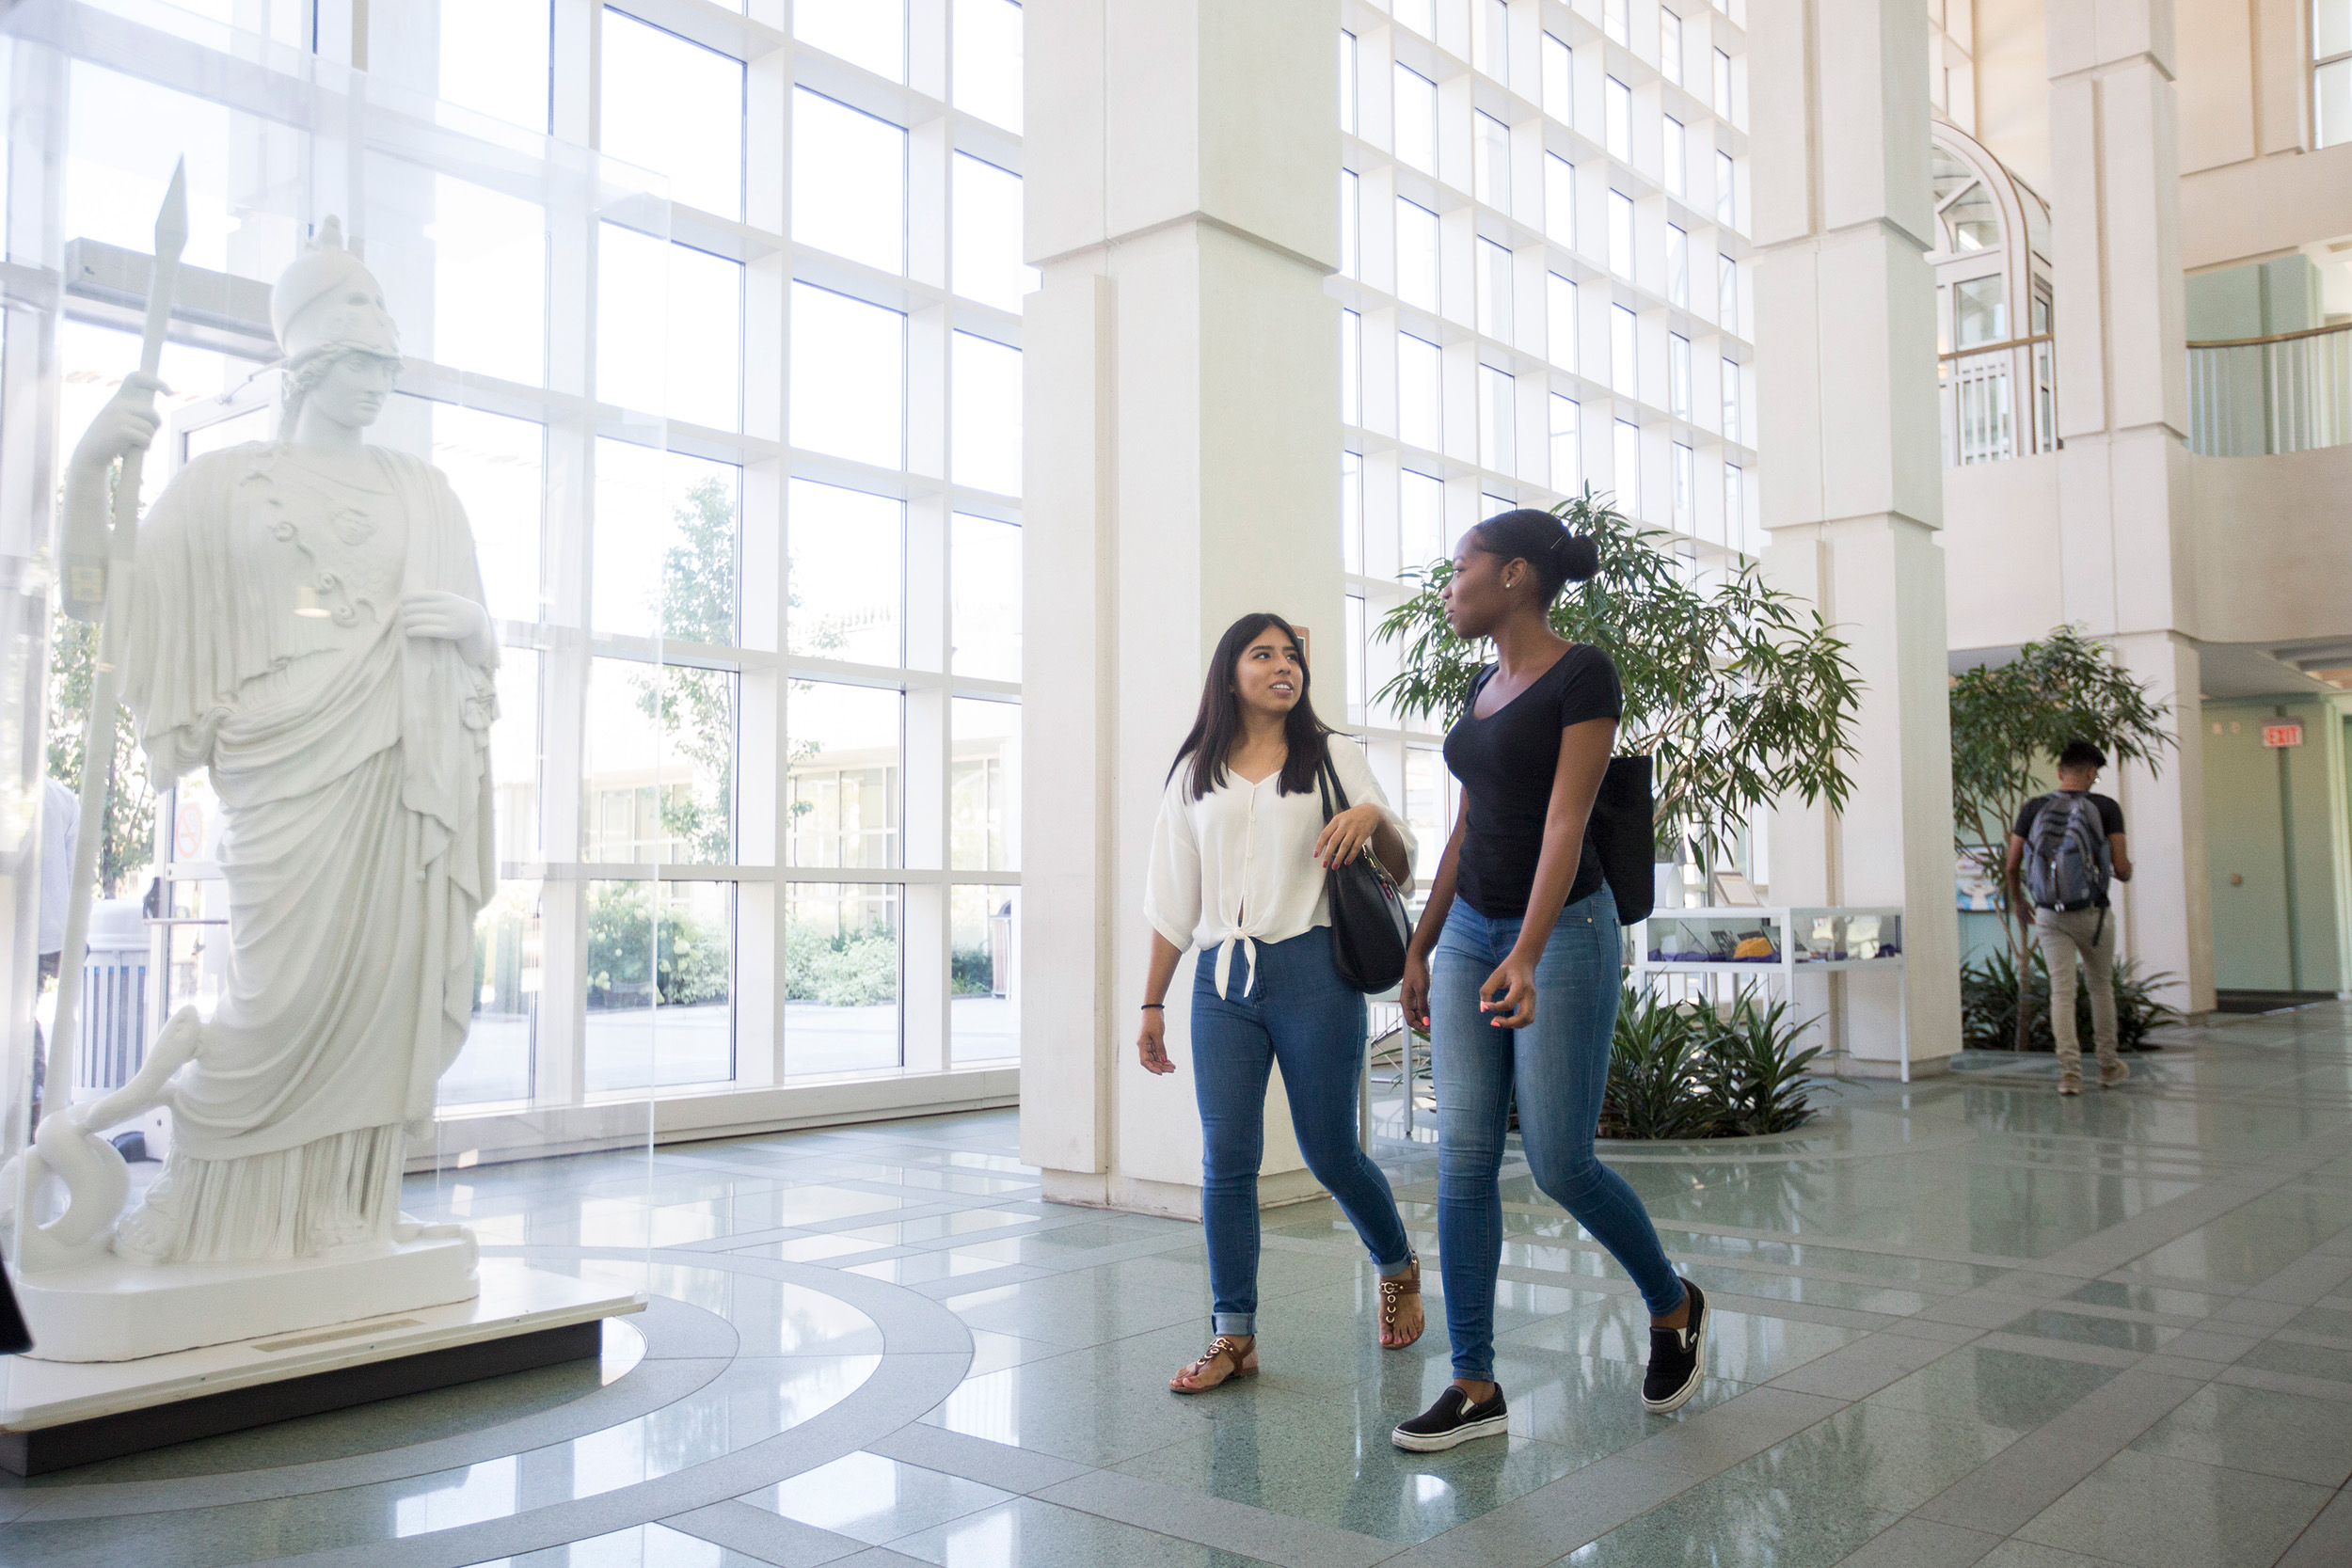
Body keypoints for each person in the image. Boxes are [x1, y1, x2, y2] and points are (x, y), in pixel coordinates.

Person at [57, 218, 497, 1262]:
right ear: (302, 362)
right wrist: (87, 476)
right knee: (274, 1000)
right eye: (353, 362)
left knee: (381, 994)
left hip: (398, 769)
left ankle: (347, 1215)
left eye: (383, 363)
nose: (371, 383)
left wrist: (476, 630)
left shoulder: (425, 491)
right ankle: (226, 1225)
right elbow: (102, 603)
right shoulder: (221, 486)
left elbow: (482, 649)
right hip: (279, 773)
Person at [1392, 510, 1706, 1452]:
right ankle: (1473, 1379)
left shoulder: (1583, 673)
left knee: (1563, 1160)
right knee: (1463, 1157)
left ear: (1516, 574)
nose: (1449, 586)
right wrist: (1422, 941)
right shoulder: (1483, 682)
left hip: (1563, 929)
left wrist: (1523, 951)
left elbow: (1566, 823)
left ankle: (1670, 1300)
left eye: (1461, 568)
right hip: (1468, 936)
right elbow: (1463, 829)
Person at [1140, 612, 1424, 1393]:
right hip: (1220, 981)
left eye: (1291, 654)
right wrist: (1151, 1003)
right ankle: (1233, 1335)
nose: (1282, 665)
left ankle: (1396, 1260)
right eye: (1262, 654)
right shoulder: (1196, 770)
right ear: (1230, 672)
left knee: (1330, 1149)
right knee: (1225, 1159)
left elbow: (1400, 862)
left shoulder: (1334, 755)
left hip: (1314, 970)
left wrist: (1374, 817)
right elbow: (1172, 899)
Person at [2004, 740, 2133, 1096]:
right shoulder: (2106, 807)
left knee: (2062, 992)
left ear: (2060, 771)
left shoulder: (2034, 807)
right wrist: (2126, 869)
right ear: (2091, 772)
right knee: (2100, 986)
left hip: (2048, 914)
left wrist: (2019, 903)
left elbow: (2012, 865)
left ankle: (2070, 1075)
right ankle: (2108, 1066)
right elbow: (2121, 869)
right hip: (2093, 914)